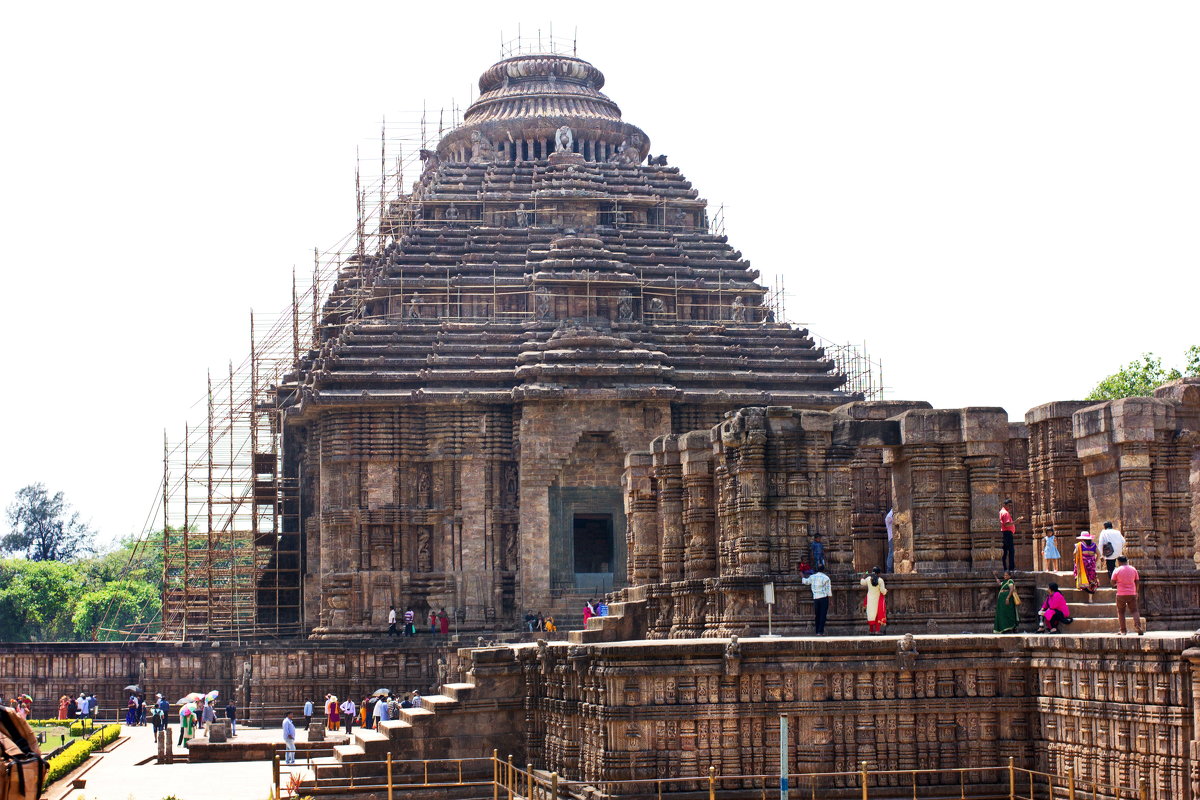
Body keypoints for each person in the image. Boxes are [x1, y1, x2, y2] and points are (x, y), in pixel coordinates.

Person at [1111, 556, 1143, 635]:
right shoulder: (1133, 569)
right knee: (1134, 610)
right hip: (1132, 593)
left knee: (1121, 612)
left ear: (1119, 562)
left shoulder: (1117, 570)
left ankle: (1123, 630)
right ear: (1127, 561)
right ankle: (1138, 625)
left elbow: (1112, 582)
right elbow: (1137, 581)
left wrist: (1116, 585)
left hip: (1121, 594)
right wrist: (1136, 592)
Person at [802, 565, 832, 635]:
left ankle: (817, 630)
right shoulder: (826, 578)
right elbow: (828, 590)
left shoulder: (813, 577)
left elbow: (806, 582)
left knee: (817, 614)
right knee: (823, 615)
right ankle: (820, 631)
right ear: (823, 570)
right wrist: (830, 600)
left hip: (816, 598)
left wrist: (802, 576)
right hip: (824, 598)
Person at [859, 567, 888, 635]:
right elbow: (883, 591)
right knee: (877, 614)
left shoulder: (868, 579)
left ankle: (871, 630)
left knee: (871, 614)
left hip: (870, 599)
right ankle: (877, 630)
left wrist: (863, 576)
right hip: (877, 599)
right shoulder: (880, 580)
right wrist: (886, 591)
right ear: (879, 573)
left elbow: (862, 582)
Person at [1073, 531, 1098, 599]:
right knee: (1091, 579)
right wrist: (1095, 561)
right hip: (1091, 564)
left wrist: (1076, 561)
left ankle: (1083, 588)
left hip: (1083, 564)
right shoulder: (1094, 545)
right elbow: (1098, 554)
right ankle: (1090, 598)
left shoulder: (1079, 545)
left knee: (1083, 577)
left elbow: (1074, 553)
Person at [999, 499, 1017, 573]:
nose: (1010, 507)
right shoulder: (1005, 513)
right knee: (1011, 551)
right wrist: (1016, 522)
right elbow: (1006, 524)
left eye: (1011, 506)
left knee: (1005, 551)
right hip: (1007, 533)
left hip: (1003, 533)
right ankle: (1011, 568)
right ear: (1005, 505)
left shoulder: (1001, 512)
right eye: (1009, 505)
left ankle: (1004, 567)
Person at [885, 508, 895, 573]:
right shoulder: (889, 515)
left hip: (895, 537)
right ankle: (889, 569)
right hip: (892, 537)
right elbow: (888, 518)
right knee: (891, 553)